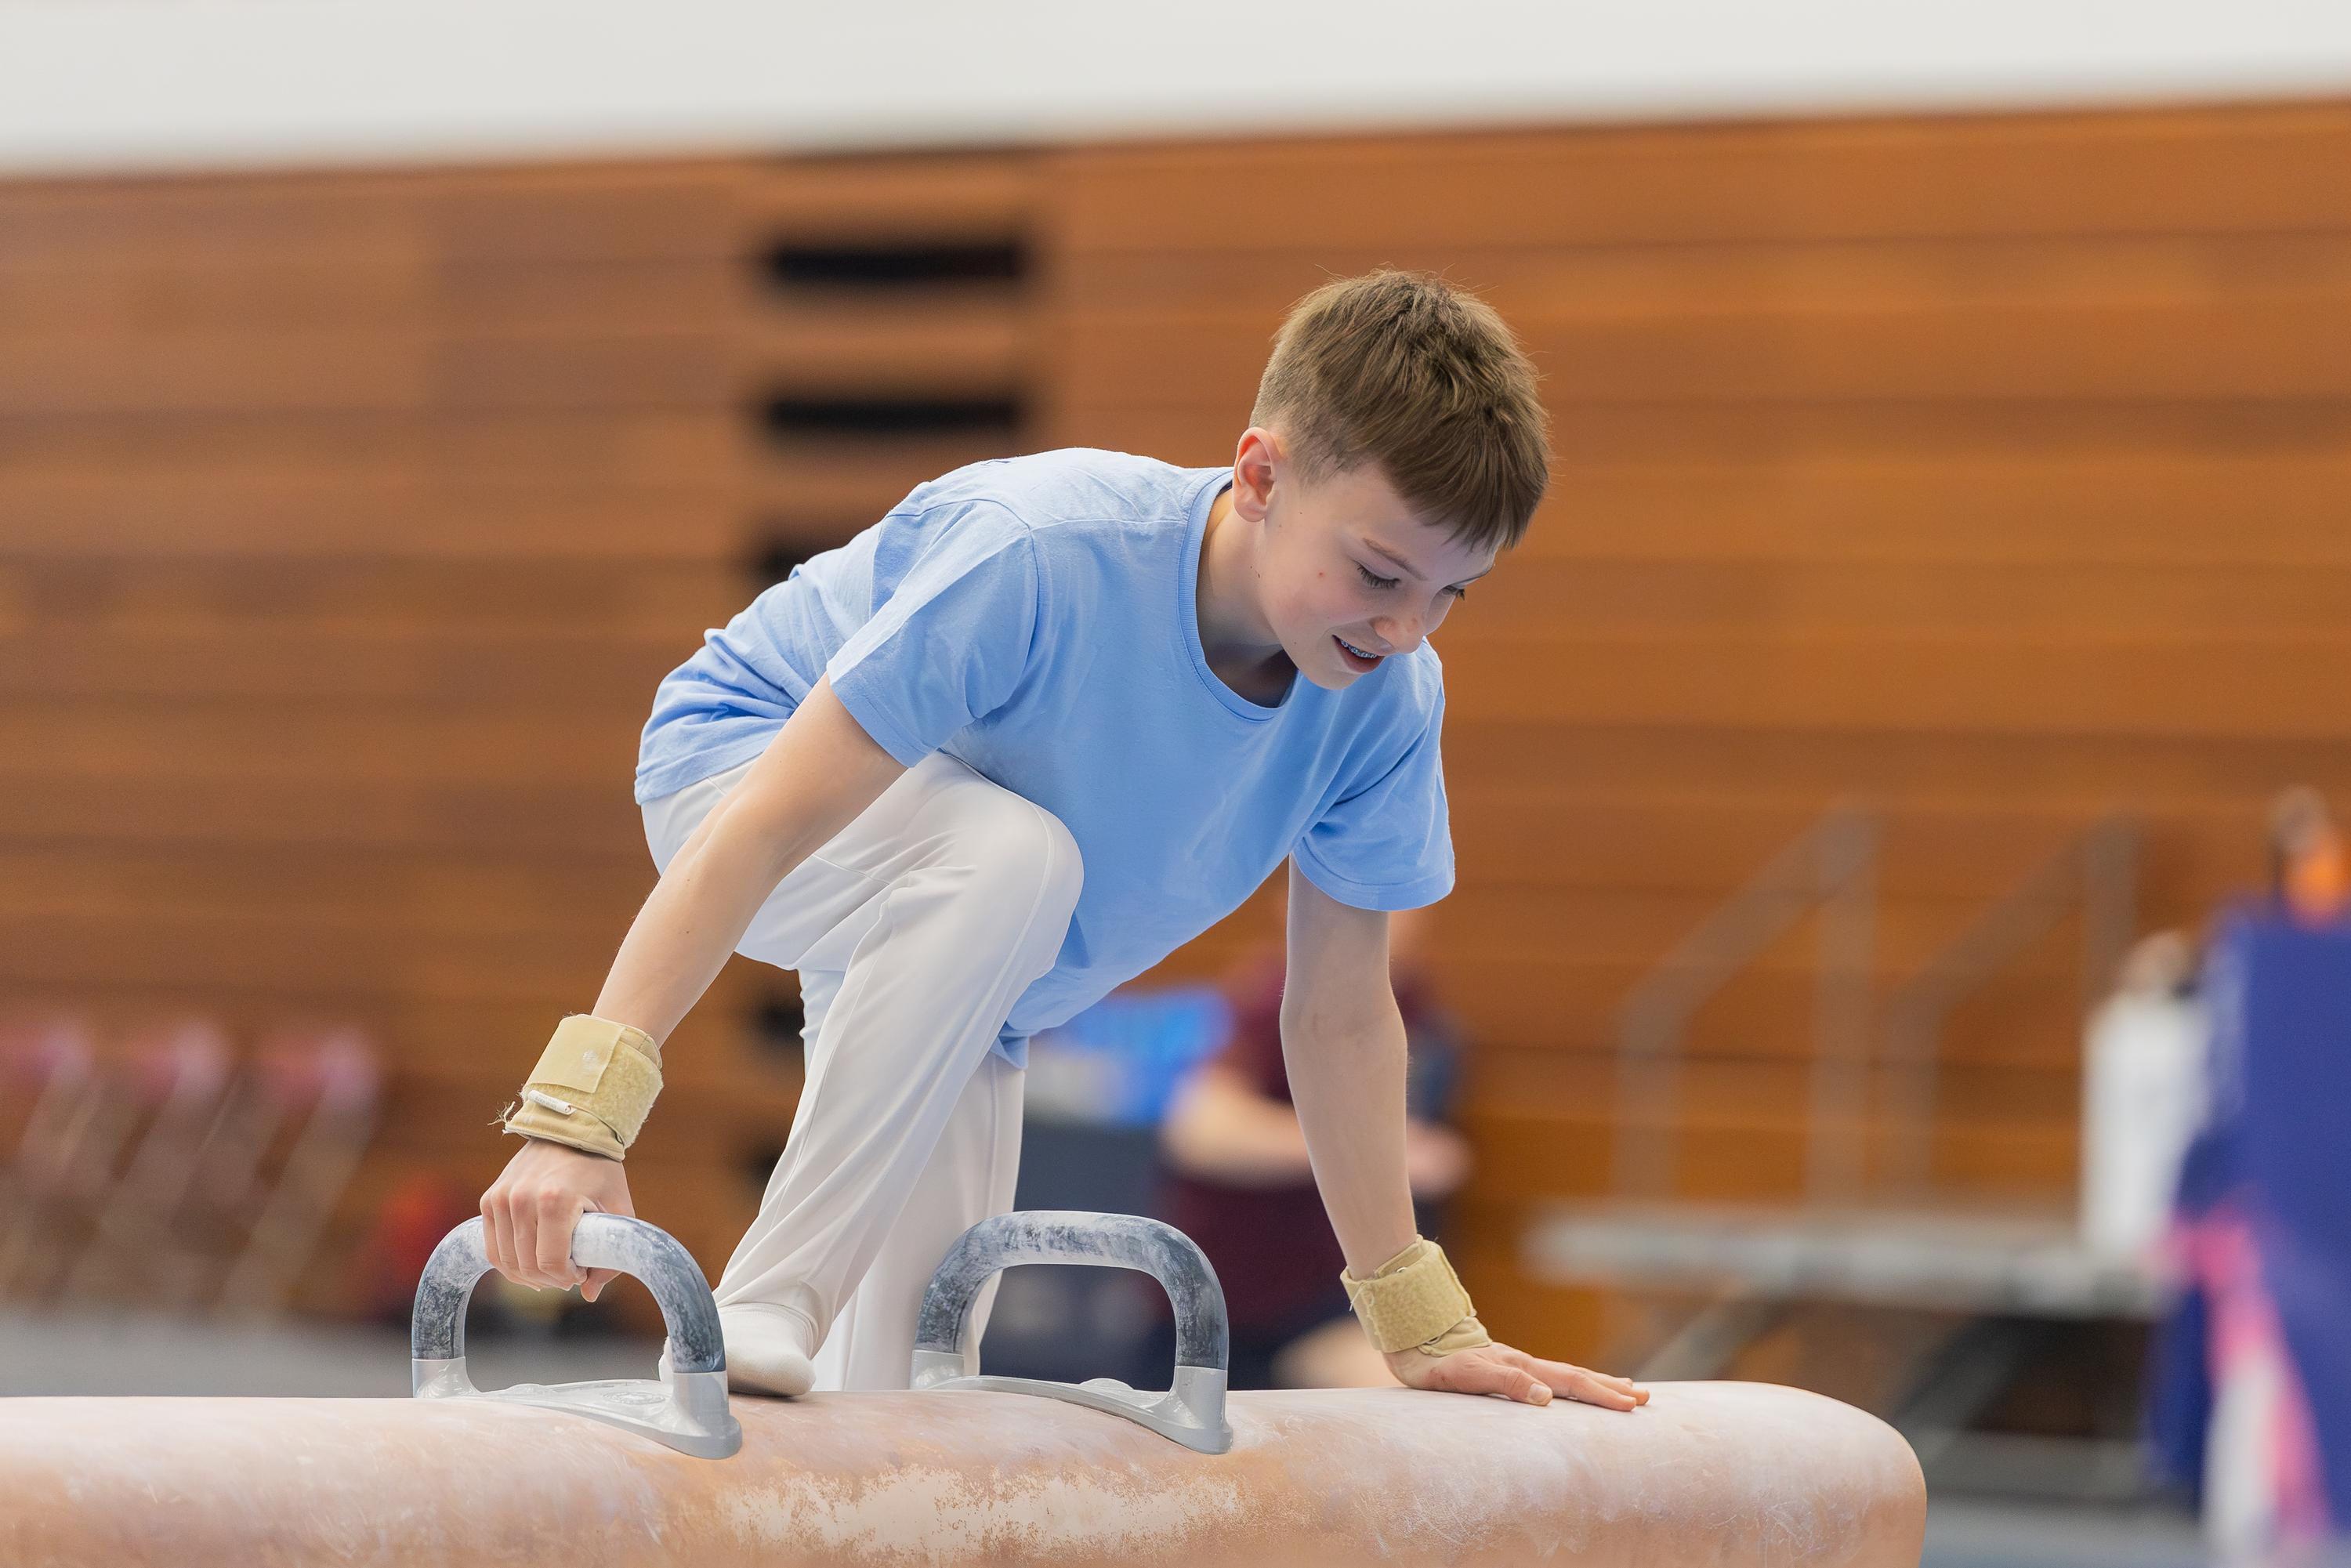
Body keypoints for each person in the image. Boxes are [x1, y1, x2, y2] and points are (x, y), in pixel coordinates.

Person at [476, 270, 1650, 1416]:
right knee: (1015, 858)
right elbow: (770, 820)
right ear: (1260, 476)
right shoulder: (1043, 551)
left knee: (912, 1391)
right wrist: (579, 1120)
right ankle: (767, 1295)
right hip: (738, 774)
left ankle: (796, 1392)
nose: (1404, 629)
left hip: (978, 955)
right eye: (1380, 573)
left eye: (1451, 594)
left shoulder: (1385, 703)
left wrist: (1422, 1326)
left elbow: (1341, 1017)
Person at [1157, 904, 1471, 1388]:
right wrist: (1378, 1155)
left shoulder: (1413, 1002)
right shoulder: (1276, 996)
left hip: (1333, 1299)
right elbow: (1201, 1131)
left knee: (1422, 1387)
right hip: (1225, 1307)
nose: (1387, 915)